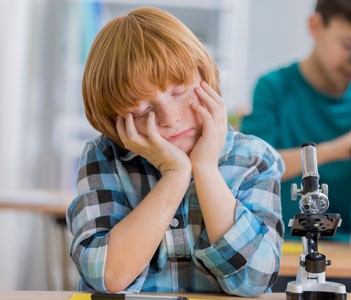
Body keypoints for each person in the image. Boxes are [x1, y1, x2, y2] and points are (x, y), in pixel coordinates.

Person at [66, 7, 285, 296]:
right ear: (113, 120)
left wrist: (205, 169)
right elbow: (109, 278)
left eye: (179, 92)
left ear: (205, 78)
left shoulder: (254, 158)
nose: (169, 117)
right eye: (141, 111)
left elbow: (255, 280)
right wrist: (176, 173)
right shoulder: (104, 157)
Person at [241, 0, 351, 244]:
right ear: (315, 26)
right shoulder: (274, 88)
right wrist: (332, 151)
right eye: (350, 46)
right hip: (275, 243)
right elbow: (252, 169)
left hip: (342, 245)